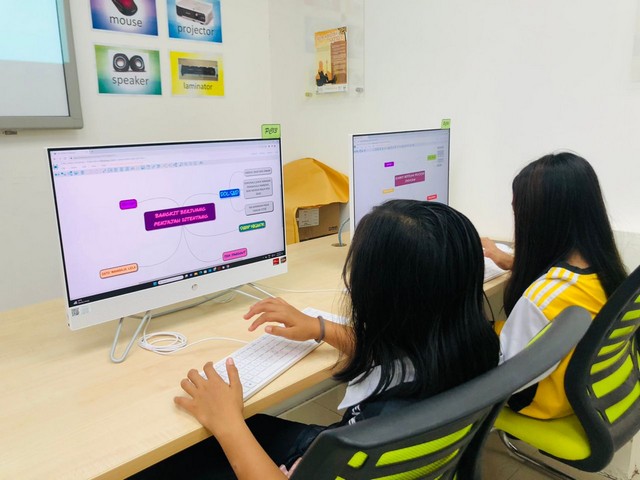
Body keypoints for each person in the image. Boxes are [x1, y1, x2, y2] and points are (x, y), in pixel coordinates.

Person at [133, 200, 499, 479]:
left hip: (331, 464)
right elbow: (405, 350)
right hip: (347, 457)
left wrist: (228, 421)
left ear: (380, 297)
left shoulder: (383, 426)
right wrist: (320, 328)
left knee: (161, 461)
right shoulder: (476, 346)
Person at [482, 151, 627, 420]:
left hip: (541, 399)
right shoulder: (604, 269)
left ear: (539, 222)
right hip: (590, 387)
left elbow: (502, 379)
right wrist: (510, 261)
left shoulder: (542, 299)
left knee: (459, 339)